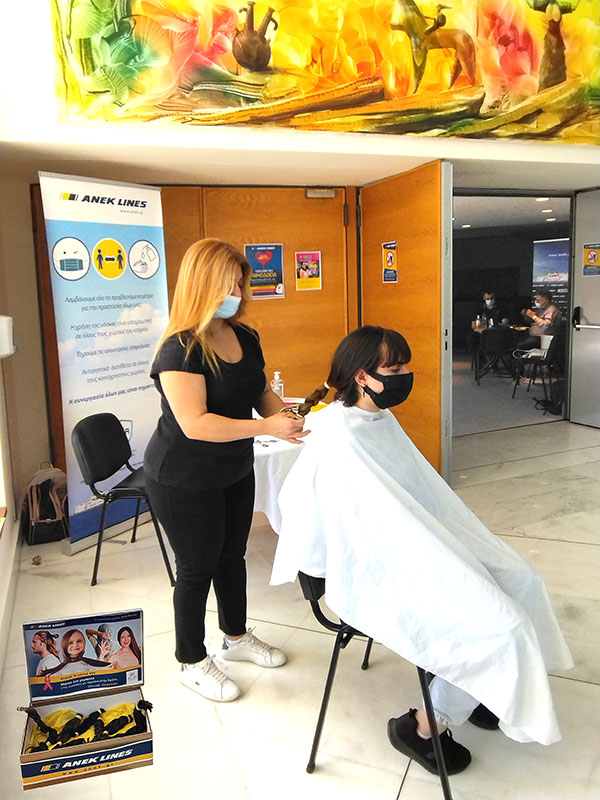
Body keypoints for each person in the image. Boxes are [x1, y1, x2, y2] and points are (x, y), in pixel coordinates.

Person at [271, 325, 572, 775]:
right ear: (362, 376)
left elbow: (418, 495)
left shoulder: (376, 418)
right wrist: (435, 553)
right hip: (378, 564)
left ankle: (487, 683)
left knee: (522, 581)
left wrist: (447, 542)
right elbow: (358, 528)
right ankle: (421, 725)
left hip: (416, 542)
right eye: (394, 369)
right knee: (502, 626)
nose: (405, 376)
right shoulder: (336, 435)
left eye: (404, 367)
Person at [144, 238, 309, 703]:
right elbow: (195, 423)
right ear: (203, 284)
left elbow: (261, 392)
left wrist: (288, 419)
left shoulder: (245, 336)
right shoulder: (179, 349)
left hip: (233, 466)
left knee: (232, 556)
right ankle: (191, 660)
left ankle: (235, 638)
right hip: (182, 476)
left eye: (241, 282)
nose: (239, 291)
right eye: (230, 283)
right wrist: (266, 427)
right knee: (197, 567)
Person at [42, 629, 113, 676]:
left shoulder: (88, 664)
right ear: (64, 645)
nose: (75, 645)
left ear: (84, 643)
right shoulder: (60, 669)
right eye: (70, 643)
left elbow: (99, 670)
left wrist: (103, 659)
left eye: (79, 641)